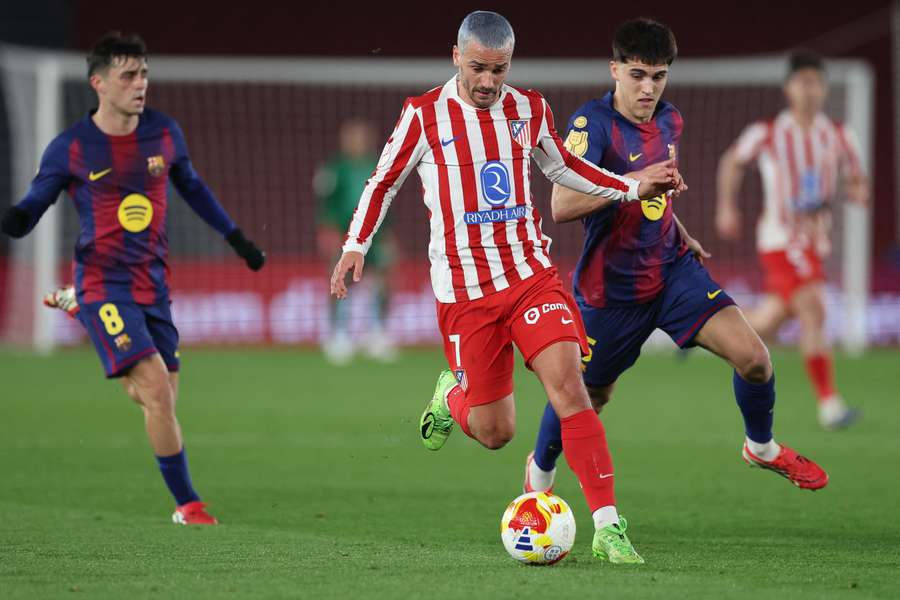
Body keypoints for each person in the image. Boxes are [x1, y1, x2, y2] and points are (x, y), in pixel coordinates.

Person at [331, 10, 683, 564]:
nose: (490, 82)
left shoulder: (529, 108)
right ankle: (452, 393)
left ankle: (608, 525)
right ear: (456, 57)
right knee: (496, 432)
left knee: (571, 386)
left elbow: (564, 167)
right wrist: (355, 244)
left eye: (500, 69)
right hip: (465, 293)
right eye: (478, 68)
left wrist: (630, 187)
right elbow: (383, 183)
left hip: (529, 276)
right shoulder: (423, 116)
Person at [522, 19, 829, 505]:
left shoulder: (671, 120)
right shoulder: (591, 125)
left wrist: (679, 227)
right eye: (638, 74)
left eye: (658, 76)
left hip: (672, 270)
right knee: (588, 396)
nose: (648, 87)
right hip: (612, 291)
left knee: (754, 360)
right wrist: (634, 182)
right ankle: (538, 476)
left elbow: (656, 194)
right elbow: (561, 206)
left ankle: (761, 446)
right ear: (615, 69)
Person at [0, 32, 265, 524]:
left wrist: (238, 241)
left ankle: (77, 309)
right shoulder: (72, 147)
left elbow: (194, 188)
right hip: (103, 279)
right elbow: (38, 199)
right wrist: (16, 219)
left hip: (154, 284)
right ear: (98, 83)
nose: (140, 84)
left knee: (153, 396)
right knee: (158, 392)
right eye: (128, 75)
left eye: (143, 73)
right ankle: (189, 504)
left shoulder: (164, 133)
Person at [716, 50, 867, 430]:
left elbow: (856, 175)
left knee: (768, 321)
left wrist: (857, 190)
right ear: (789, 88)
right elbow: (731, 161)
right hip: (780, 239)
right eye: (803, 82)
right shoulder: (767, 131)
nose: (810, 90)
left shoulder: (838, 134)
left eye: (816, 82)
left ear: (824, 87)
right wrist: (726, 207)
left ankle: (704, 328)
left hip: (815, 242)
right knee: (814, 309)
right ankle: (829, 404)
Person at [315, 118, 396, 364]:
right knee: (338, 279)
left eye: (360, 136)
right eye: (352, 136)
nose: (356, 141)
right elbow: (326, 205)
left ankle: (377, 333)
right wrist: (327, 233)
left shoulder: (378, 166)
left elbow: (386, 203)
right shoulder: (334, 169)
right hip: (344, 236)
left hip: (376, 236)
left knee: (382, 281)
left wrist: (390, 236)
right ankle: (338, 335)